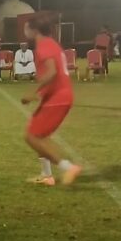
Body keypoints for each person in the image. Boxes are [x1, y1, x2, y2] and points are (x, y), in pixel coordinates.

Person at [21, 13, 81, 186]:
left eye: (26, 27)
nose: (25, 30)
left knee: (32, 137)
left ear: (34, 30)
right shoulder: (50, 43)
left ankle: (68, 167)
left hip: (58, 98)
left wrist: (34, 92)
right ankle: (47, 176)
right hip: (57, 96)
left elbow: (52, 72)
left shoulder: (44, 45)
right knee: (39, 135)